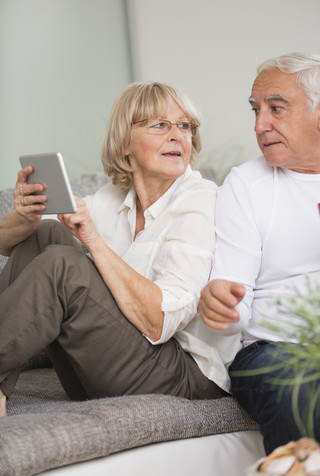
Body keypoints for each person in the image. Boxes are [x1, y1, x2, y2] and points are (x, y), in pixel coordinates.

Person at [0, 81, 228, 418]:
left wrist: (93, 241)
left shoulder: (200, 201)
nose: (177, 135)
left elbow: (159, 324)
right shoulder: (112, 198)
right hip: (103, 367)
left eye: (184, 126)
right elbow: (8, 244)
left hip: (181, 376)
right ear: (125, 144)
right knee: (43, 234)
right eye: (160, 125)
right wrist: (25, 215)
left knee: (65, 266)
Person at [198, 52, 320, 454]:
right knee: (299, 384)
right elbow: (235, 300)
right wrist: (224, 305)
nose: (259, 125)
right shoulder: (247, 185)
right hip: (272, 350)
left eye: (276, 109)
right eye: (256, 110)